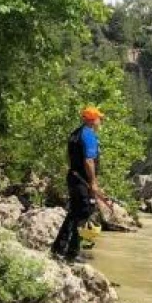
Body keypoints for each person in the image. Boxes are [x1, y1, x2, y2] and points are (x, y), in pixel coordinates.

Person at [51, 106, 107, 260]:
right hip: (82, 180)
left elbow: (69, 157)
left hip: (74, 177)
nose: (100, 121)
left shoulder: (75, 133)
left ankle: (58, 248)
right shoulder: (88, 135)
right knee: (84, 212)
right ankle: (72, 252)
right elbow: (89, 160)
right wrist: (93, 183)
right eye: (99, 119)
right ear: (92, 120)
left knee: (74, 212)